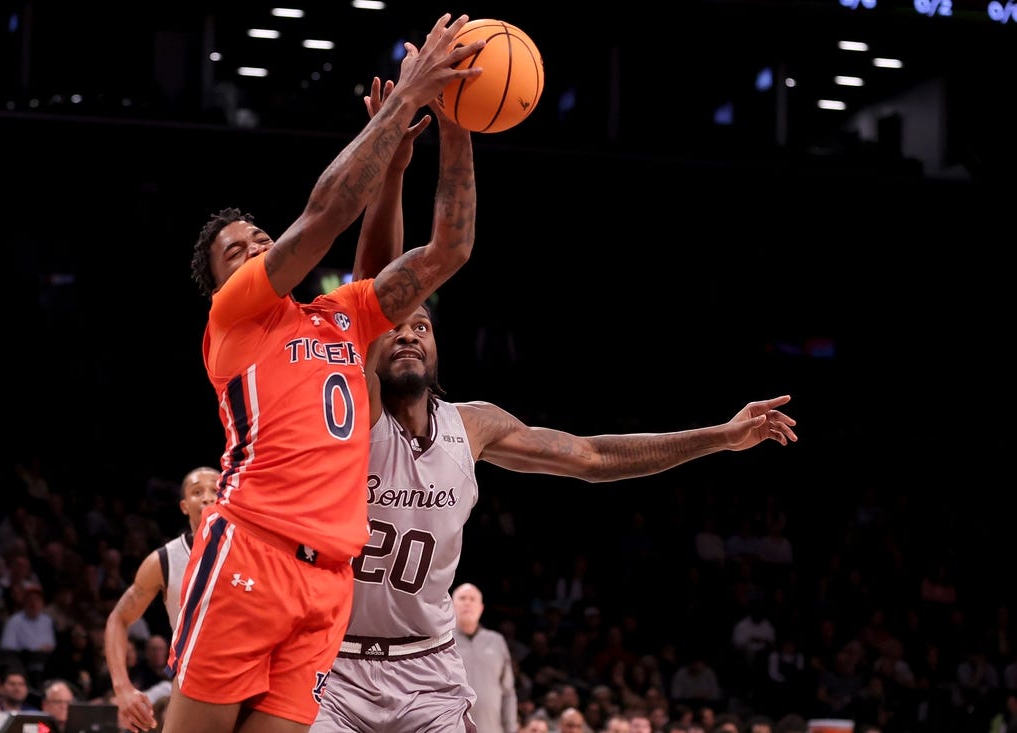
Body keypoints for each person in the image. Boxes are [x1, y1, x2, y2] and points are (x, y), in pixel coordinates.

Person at [309, 74, 799, 733]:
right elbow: (376, 287)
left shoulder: (472, 426)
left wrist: (720, 435)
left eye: (422, 326)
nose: (407, 333)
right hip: (337, 669)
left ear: (440, 351)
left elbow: (594, 456)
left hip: (428, 671)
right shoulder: (358, 414)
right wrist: (397, 168)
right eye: (398, 325)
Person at [163, 13, 484, 733]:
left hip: (328, 581)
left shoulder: (340, 316)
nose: (252, 248)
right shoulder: (234, 320)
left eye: (257, 237)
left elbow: (448, 249)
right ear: (223, 282)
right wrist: (409, 96)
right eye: (234, 251)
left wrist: (456, 122)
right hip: (252, 551)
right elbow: (327, 213)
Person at [105, 466, 218, 731]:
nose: (207, 497)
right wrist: (122, 688)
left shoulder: (254, 552)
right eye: (197, 492)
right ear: (183, 506)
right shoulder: (164, 561)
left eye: (215, 490)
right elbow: (118, 619)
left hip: (249, 679)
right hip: (194, 680)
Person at [451, 583, 518, 733]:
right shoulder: (442, 642)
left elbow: (508, 692)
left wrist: (511, 729)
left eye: (472, 599)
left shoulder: (496, 641)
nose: (467, 602)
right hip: (453, 728)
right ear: (451, 605)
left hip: (492, 727)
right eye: (462, 598)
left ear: (481, 607)